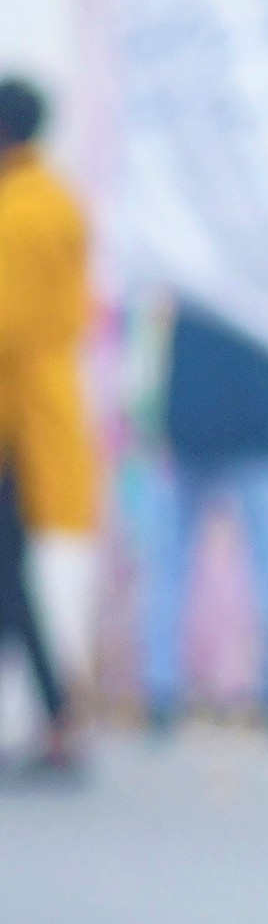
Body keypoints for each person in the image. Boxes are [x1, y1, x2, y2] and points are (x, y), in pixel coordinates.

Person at [141, 301, 268, 734]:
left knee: (172, 566)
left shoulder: (195, 264)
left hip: (197, 418)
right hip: (255, 422)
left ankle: (161, 691)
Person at [0, 75, 96, 773]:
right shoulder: (52, 199)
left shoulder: (22, 213)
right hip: (32, 418)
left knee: (10, 575)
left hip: (16, 423)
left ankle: (60, 715)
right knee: (10, 575)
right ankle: (58, 713)